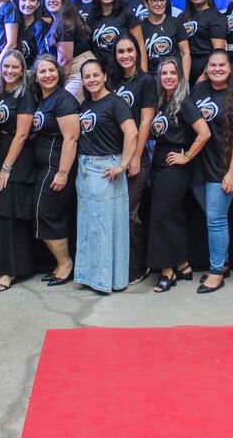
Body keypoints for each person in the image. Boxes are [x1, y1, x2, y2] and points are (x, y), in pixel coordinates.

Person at [146, 58, 211, 293]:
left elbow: (204, 133)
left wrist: (186, 156)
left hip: (176, 167)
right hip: (160, 164)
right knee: (172, 217)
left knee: (162, 217)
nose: (168, 77)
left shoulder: (185, 102)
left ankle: (167, 271)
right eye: (164, 73)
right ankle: (183, 263)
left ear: (180, 76)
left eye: (173, 73)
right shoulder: (163, 102)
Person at [75, 58, 138, 293]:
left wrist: (123, 164)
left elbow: (131, 132)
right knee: (88, 224)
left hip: (105, 168)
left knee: (105, 226)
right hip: (85, 169)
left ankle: (106, 280)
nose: (91, 80)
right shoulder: (85, 106)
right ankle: (89, 276)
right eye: (86, 76)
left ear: (104, 76)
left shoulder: (115, 102)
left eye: (95, 75)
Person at [190, 49, 233, 294]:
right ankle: (222, 262)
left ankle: (216, 272)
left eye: (222, 65)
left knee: (215, 220)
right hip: (198, 168)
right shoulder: (199, 91)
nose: (217, 69)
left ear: (230, 68)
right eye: (212, 65)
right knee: (213, 218)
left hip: (221, 169)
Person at [110, 35, 157, 284]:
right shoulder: (113, 81)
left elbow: (146, 120)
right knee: (116, 215)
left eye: (129, 50)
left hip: (136, 158)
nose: (125, 55)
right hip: (114, 157)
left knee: (130, 215)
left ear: (137, 53)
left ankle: (138, 268)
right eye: (120, 51)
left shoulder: (146, 81)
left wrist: (137, 156)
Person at [30, 55, 81, 287]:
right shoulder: (42, 99)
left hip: (57, 167)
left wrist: (62, 172)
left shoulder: (63, 100)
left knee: (48, 214)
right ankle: (61, 262)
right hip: (44, 166)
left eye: (52, 70)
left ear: (59, 73)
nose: (48, 75)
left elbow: (71, 138)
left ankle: (65, 263)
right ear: (36, 76)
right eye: (42, 71)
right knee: (43, 215)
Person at [0, 50, 38, 292]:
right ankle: (2, 267)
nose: (9, 71)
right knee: (3, 212)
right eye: (6, 67)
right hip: (0, 151)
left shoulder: (25, 95)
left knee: (12, 213)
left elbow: (22, 134)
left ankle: (11, 271)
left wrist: (7, 167)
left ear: (22, 70)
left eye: (14, 67)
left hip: (17, 156)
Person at [45, 0, 95, 98]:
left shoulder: (65, 22)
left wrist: (60, 84)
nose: (52, 0)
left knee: (65, 106)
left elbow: (65, 61)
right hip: (72, 69)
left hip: (76, 70)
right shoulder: (58, 21)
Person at [89, 0, 147, 72]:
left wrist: (143, 74)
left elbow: (140, 45)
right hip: (103, 73)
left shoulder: (126, 13)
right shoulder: (92, 18)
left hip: (126, 71)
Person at [182, 0, 227, 83]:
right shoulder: (182, 17)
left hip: (205, 70)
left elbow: (218, 50)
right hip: (184, 70)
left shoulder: (216, 17)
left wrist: (205, 73)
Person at [140, 0, 190, 78]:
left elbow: (185, 53)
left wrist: (185, 80)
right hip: (151, 80)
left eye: (162, 0)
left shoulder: (176, 23)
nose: (159, 4)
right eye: (154, 0)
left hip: (173, 78)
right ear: (146, 3)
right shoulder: (140, 28)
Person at [15, 0, 48, 67]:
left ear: (38, 4)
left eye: (32, 0)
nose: (27, 4)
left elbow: (43, 57)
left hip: (32, 73)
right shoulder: (13, 26)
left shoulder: (39, 26)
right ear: (17, 2)